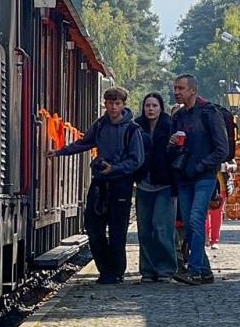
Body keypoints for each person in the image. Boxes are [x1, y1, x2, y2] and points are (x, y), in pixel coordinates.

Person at [53, 86, 144, 283]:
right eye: (109, 103)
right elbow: (85, 142)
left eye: (117, 104)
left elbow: (137, 160)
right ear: (105, 103)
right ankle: (105, 269)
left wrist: (115, 168)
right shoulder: (101, 124)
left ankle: (116, 272)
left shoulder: (132, 129)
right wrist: (60, 152)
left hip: (121, 182)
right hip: (101, 180)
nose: (113, 107)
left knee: (117, 229)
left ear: (123, 105)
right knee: (93, 226)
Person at [168, 74, 230, 284]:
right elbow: (171, 150)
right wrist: (172, 144)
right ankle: (205, 272)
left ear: (193, 90)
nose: (176, 92)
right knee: (189, 224)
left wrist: (201, 165)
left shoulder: (209, 113)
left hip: (204, 177)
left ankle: (193, 270)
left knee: (195, 219)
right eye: (175, 88)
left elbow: (222, 149)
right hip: (184, 178)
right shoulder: (178, 117)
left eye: (180, 88)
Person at [133, 93, 178, 282]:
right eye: (147, 106)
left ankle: (166, 269)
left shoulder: (170, 126)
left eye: (154, 105)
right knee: (144, 229)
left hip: (164, 184)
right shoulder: (136, 127)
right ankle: (148, 270)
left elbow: (177, 155)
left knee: (162, 227)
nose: (150, 109)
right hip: (143, 184)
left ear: (161, 108)